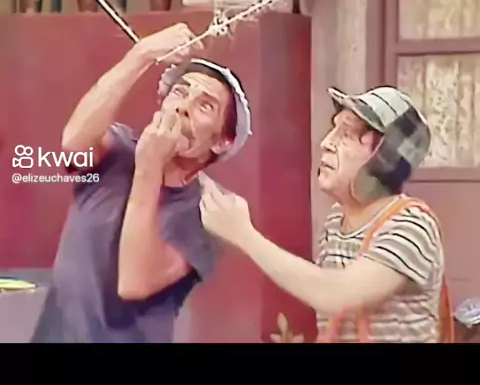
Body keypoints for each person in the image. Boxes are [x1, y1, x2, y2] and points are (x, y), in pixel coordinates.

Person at [32, 23, 252, 343]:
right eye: (180, 92)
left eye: (205, 105)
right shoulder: (119, 147)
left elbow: (134, 282)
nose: (183, 107)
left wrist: (150, 166)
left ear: (222, 142)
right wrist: (140, 54)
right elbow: (73, 145)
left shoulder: (210, 213)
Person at [200, 85, 452, 343]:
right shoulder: (336, 221)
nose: (326, 143)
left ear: (385, 159)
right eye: (334, 129)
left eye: (346, 134)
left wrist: (244, 235)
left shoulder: (411, 225)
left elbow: (338, 295)